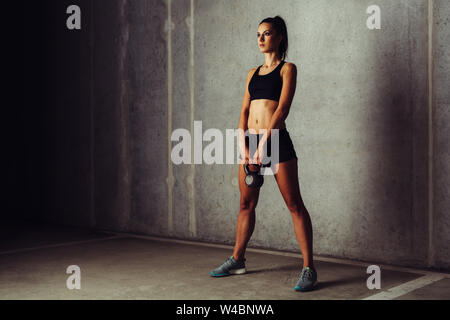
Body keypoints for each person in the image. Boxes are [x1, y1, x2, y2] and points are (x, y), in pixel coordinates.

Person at [209, 16, 317, 292]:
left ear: (279, 37)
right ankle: (237, 259)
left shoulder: (287, 69)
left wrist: (262, 146)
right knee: (245, 205)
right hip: (251, 144)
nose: (260, 39)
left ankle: (308, 268)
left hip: (275, 140)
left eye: (266, 34)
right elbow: (244, 112)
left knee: (294, 204)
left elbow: (282, 111)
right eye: (258, 34)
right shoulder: (252, 73)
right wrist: (244, 145)